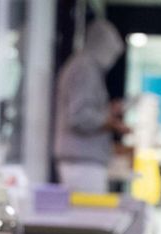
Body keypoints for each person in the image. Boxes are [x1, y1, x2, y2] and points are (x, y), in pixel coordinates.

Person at [54, 18, 129, 193]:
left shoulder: (86, 67)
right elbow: (79, 116)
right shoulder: (84, 67)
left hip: (83, 160)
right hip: (81, 161)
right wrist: (111, 122)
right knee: (87, 217)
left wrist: (108, 110)